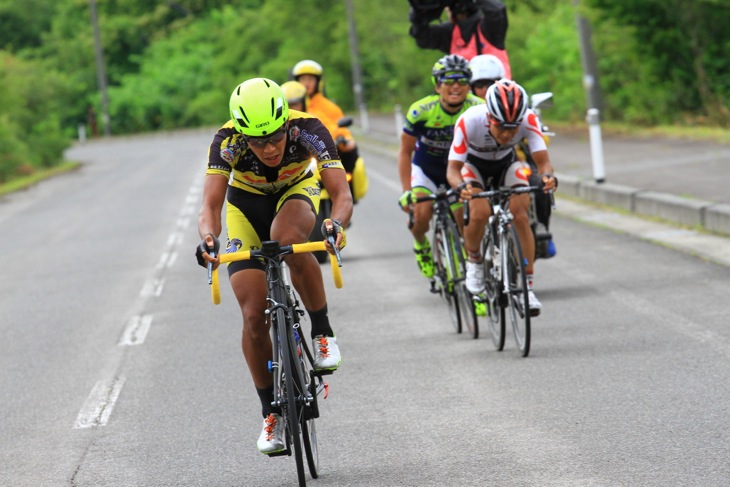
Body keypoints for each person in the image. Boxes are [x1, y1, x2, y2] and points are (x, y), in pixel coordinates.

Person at [195, 78, 352, 455]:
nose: (267, 148)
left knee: (287, 241)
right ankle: (271, 412)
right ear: (242, 135)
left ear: (286, 125)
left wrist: (336, 224)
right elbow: (211, 207)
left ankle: (323, 331)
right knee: (252, 314)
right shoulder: (227, 140)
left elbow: (341, 193)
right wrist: (208, 239)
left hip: (295, 192)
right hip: (244, 206)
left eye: (275, 138)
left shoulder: (310, 130)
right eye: (257, 141)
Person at [446, 79, 557, 315]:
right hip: (473, 166)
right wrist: (459, 187)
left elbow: (543, 163)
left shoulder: (528, 119)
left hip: (507, 163)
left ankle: (527, 288)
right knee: (480, 212)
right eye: (501, 127)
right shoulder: (469, 121)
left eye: (513, 128)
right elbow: (453, 170)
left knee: (520, 214)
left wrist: (547, 177)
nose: (507, 134)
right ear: (489, 118)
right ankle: (474, 262)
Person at [397, 54, 484, 281]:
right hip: (427, 171)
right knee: (421, 215)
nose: (456, 86)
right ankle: (421, 245)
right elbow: (405, 152)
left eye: (462, 80)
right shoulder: (420, 111)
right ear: (438, 85)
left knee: (463, 221)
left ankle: (473, 279)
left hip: (458, 171)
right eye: (449, 80)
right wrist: (407, 190)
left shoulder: (478, 107)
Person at [408, 0, 511, 77]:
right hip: (467, 100)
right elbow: (422, 37)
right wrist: (420, 12)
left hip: (496, 96)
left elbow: (497, 11)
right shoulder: (452, 32)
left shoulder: (488, 28)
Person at [291, 59, 360, 174]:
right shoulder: (290, 105)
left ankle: (347, 190)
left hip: (327, 150)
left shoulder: (330, 107)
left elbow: (342, 130)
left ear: (318, 82)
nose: (306, 83)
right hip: (299, 152)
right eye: (303, 79)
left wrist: (345, 140)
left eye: (310, 79)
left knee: (351, 152)